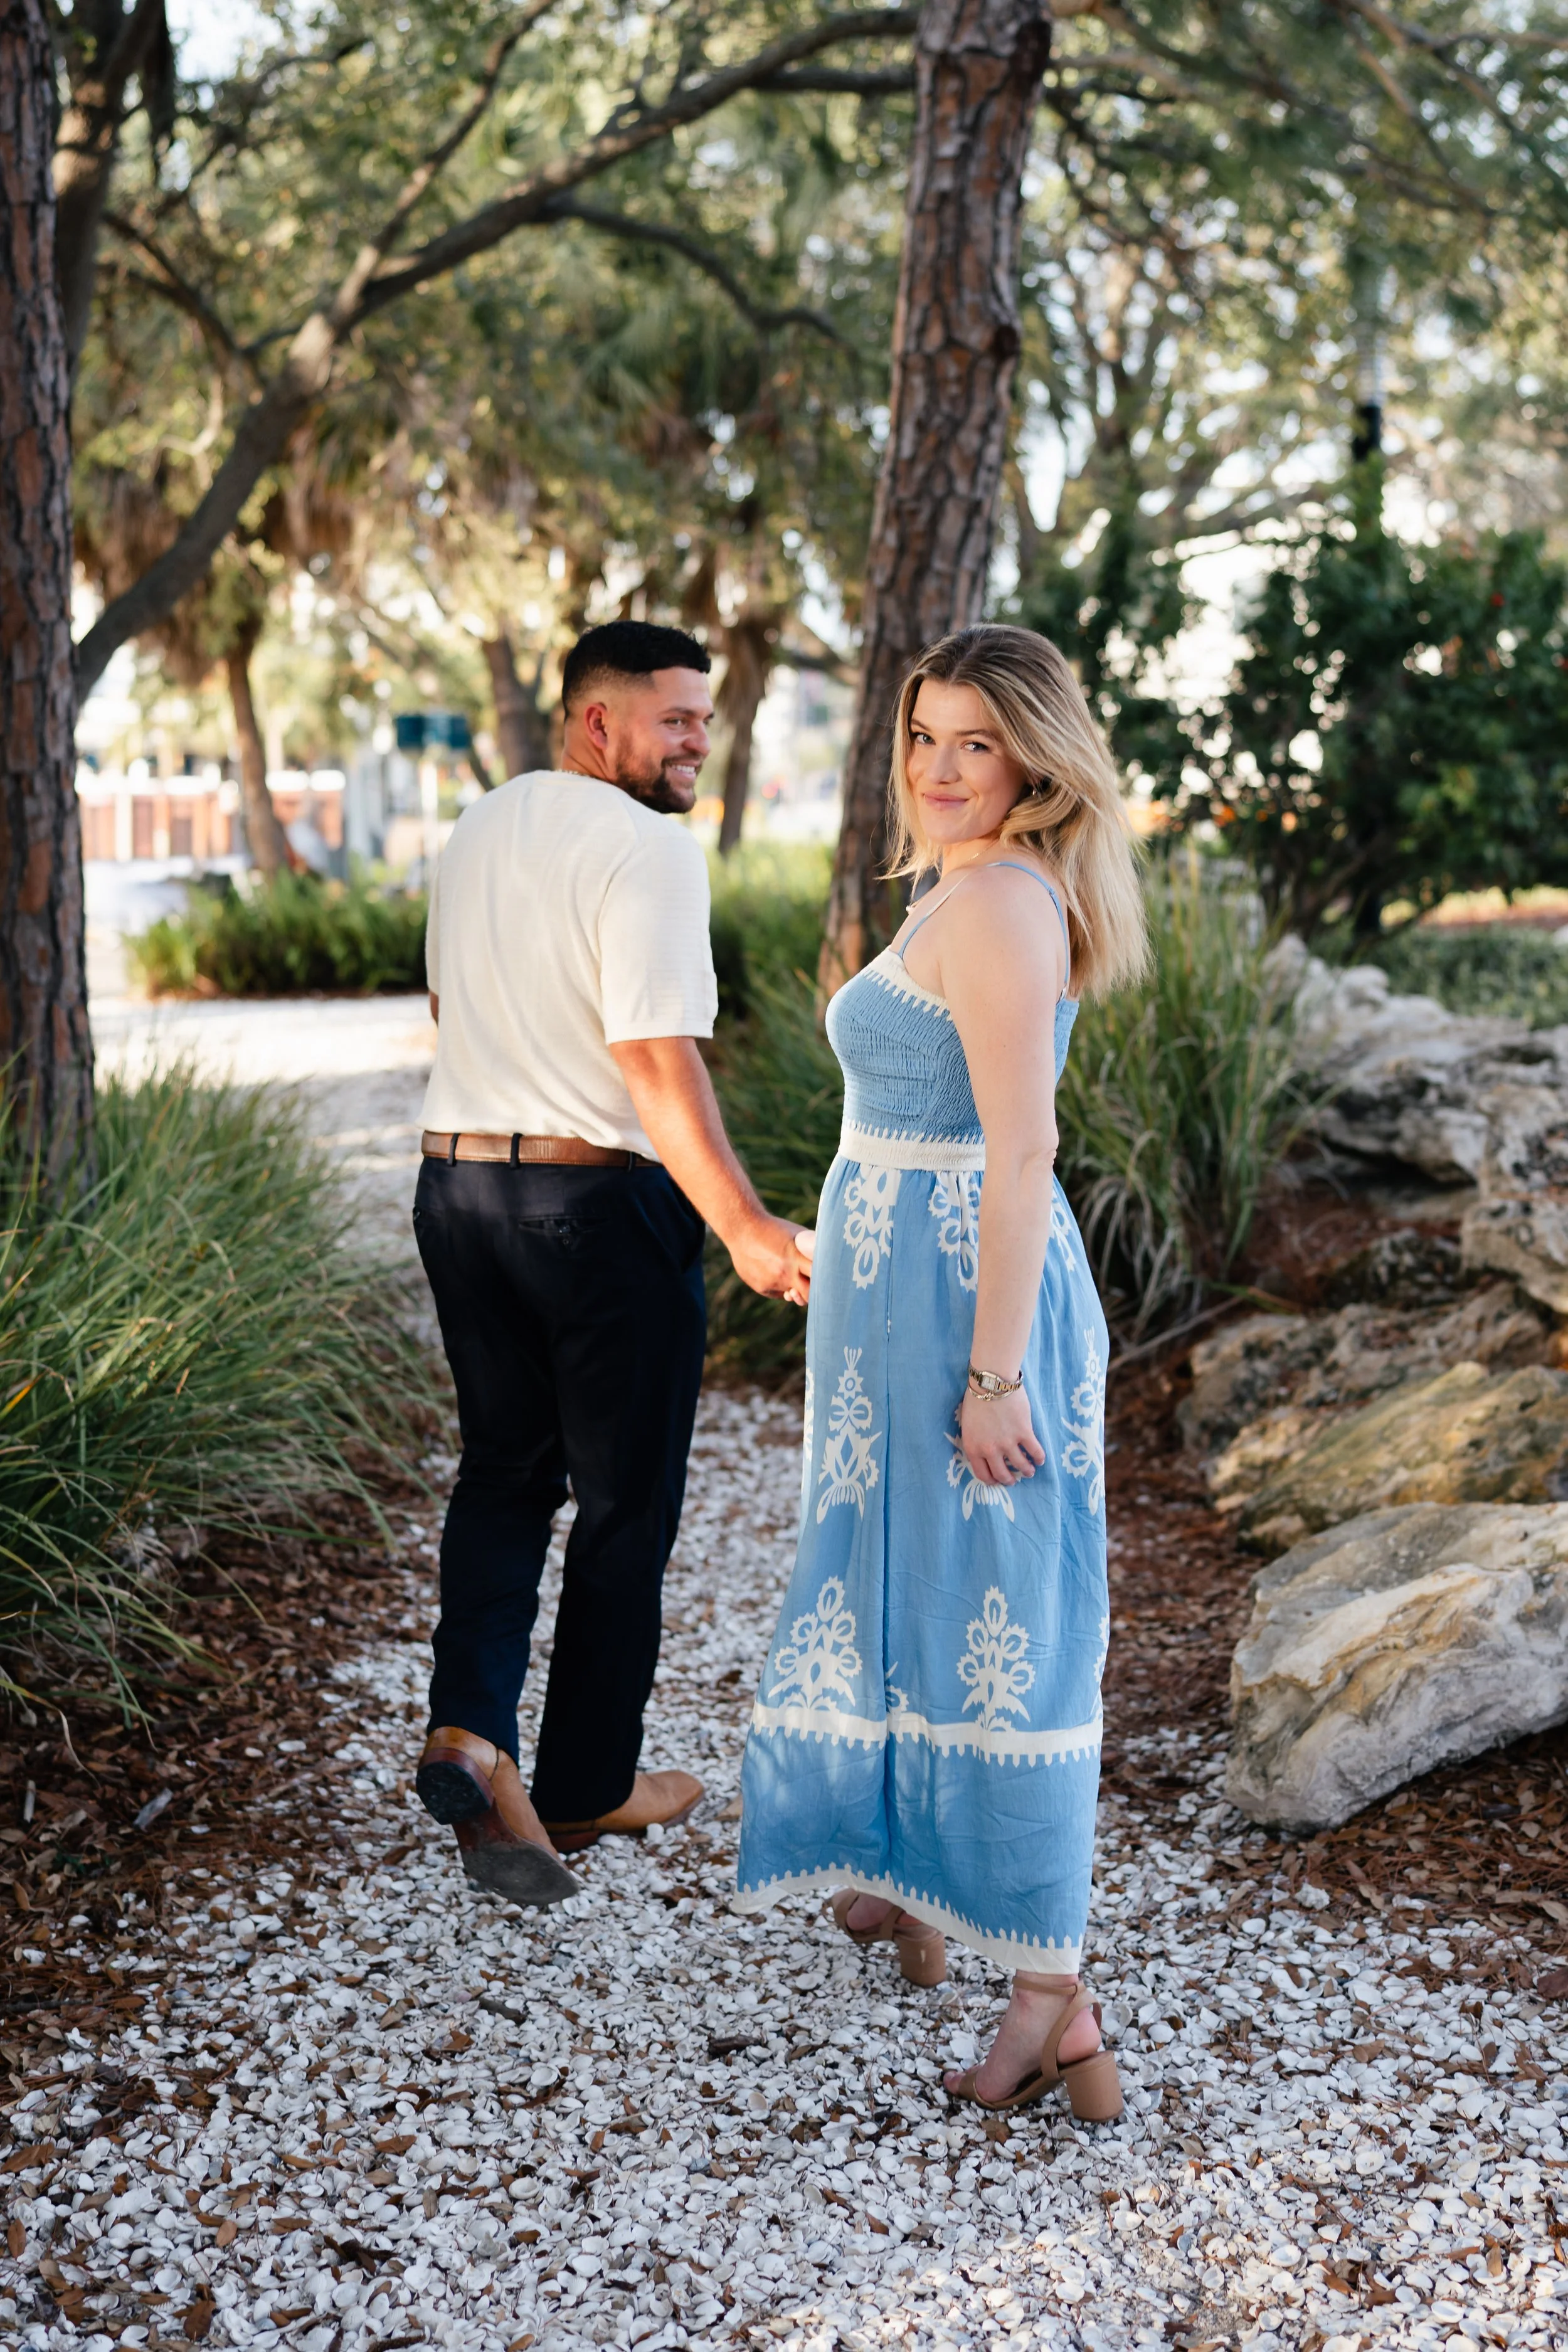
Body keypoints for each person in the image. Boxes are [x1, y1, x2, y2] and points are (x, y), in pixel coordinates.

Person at [735, 623, 1147, 2120]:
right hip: (893, 1292)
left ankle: (1054, 1997)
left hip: (963, 1298)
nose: (940, 768)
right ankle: (913, 1884)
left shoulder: (1001, 907)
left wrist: (991, 1377)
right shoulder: (959, 893)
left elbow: (1019, 1149)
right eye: (922, 737)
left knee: (999, 1613)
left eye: (974, 741)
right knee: (906, 1581)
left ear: (1032, 756)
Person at [411, 620, 812, 1908]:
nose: (702, 738)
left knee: (503, 1471)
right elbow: (654, 1060)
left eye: (707, 717)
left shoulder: (480, 824)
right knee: (624, 1504)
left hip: (457, 1188)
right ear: (598, 724)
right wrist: (747, 1227)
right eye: (676, 719)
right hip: (595, 1208)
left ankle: (470, 1730)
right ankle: (587, 1781)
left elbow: (444, 1008)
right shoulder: (646, 848)